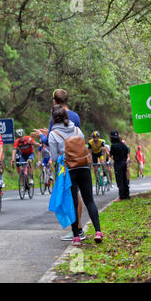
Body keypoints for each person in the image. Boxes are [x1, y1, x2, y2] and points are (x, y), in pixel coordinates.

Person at [31, 89, 85, 241]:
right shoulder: (76, 116)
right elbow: (72, 134)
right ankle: (79, 228)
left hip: (64, 162)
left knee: (68, 194)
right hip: (78, 159)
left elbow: (50, 140)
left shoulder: (53, 116)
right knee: (77, 194)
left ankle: (75, 231)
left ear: (54, 101)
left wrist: (41, 136)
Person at [48, 105, 103, 246]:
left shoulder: (53, 135)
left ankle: (77, 237)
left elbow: (54, 158)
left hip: (69, 170)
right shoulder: (78, 130)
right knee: (89, 200)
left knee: (72, 202)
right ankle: (98, 231)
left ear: (53, 119)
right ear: (66, 117)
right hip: (84, 167)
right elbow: (83, 149)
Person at [110, 130, 130, 201]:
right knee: (124, 179)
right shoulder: (123, 145)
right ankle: (127, 195)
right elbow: (126, 153)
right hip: (124, 163)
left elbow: (111, 156)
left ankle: (121, 196)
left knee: (119, 180)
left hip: (118, 164)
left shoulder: (113, 146)